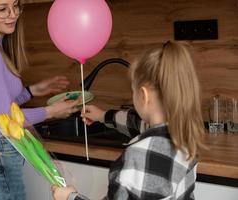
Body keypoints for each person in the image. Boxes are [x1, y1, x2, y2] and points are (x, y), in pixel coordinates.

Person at [52, 41, 206, 200]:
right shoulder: (185, 137)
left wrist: (70, 197)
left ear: (143, 95)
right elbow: (138, 124)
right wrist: (103, 116)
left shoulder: (138, 156)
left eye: (132, 91)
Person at [0, 0, 80, 199]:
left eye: (16, 6)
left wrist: (32, 91)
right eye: (2, 9)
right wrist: (51, 112)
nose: (13, 14)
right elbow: (6, 118)